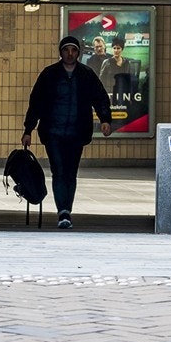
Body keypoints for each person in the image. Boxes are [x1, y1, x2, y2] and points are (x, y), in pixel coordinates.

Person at [22, 35, 113, 229]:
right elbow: (36, 102)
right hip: (53, 132)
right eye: (66, 50)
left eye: (73, 50)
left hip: (76, 132)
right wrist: (28, 129)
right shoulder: (49, 75)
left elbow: (100, 98)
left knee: (70, 172)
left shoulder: (86, 74)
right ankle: (62, 210)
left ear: (78, 53)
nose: (70, 54)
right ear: (61, 52)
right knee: (59, 171)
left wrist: (105, 119)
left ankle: (66, 210)